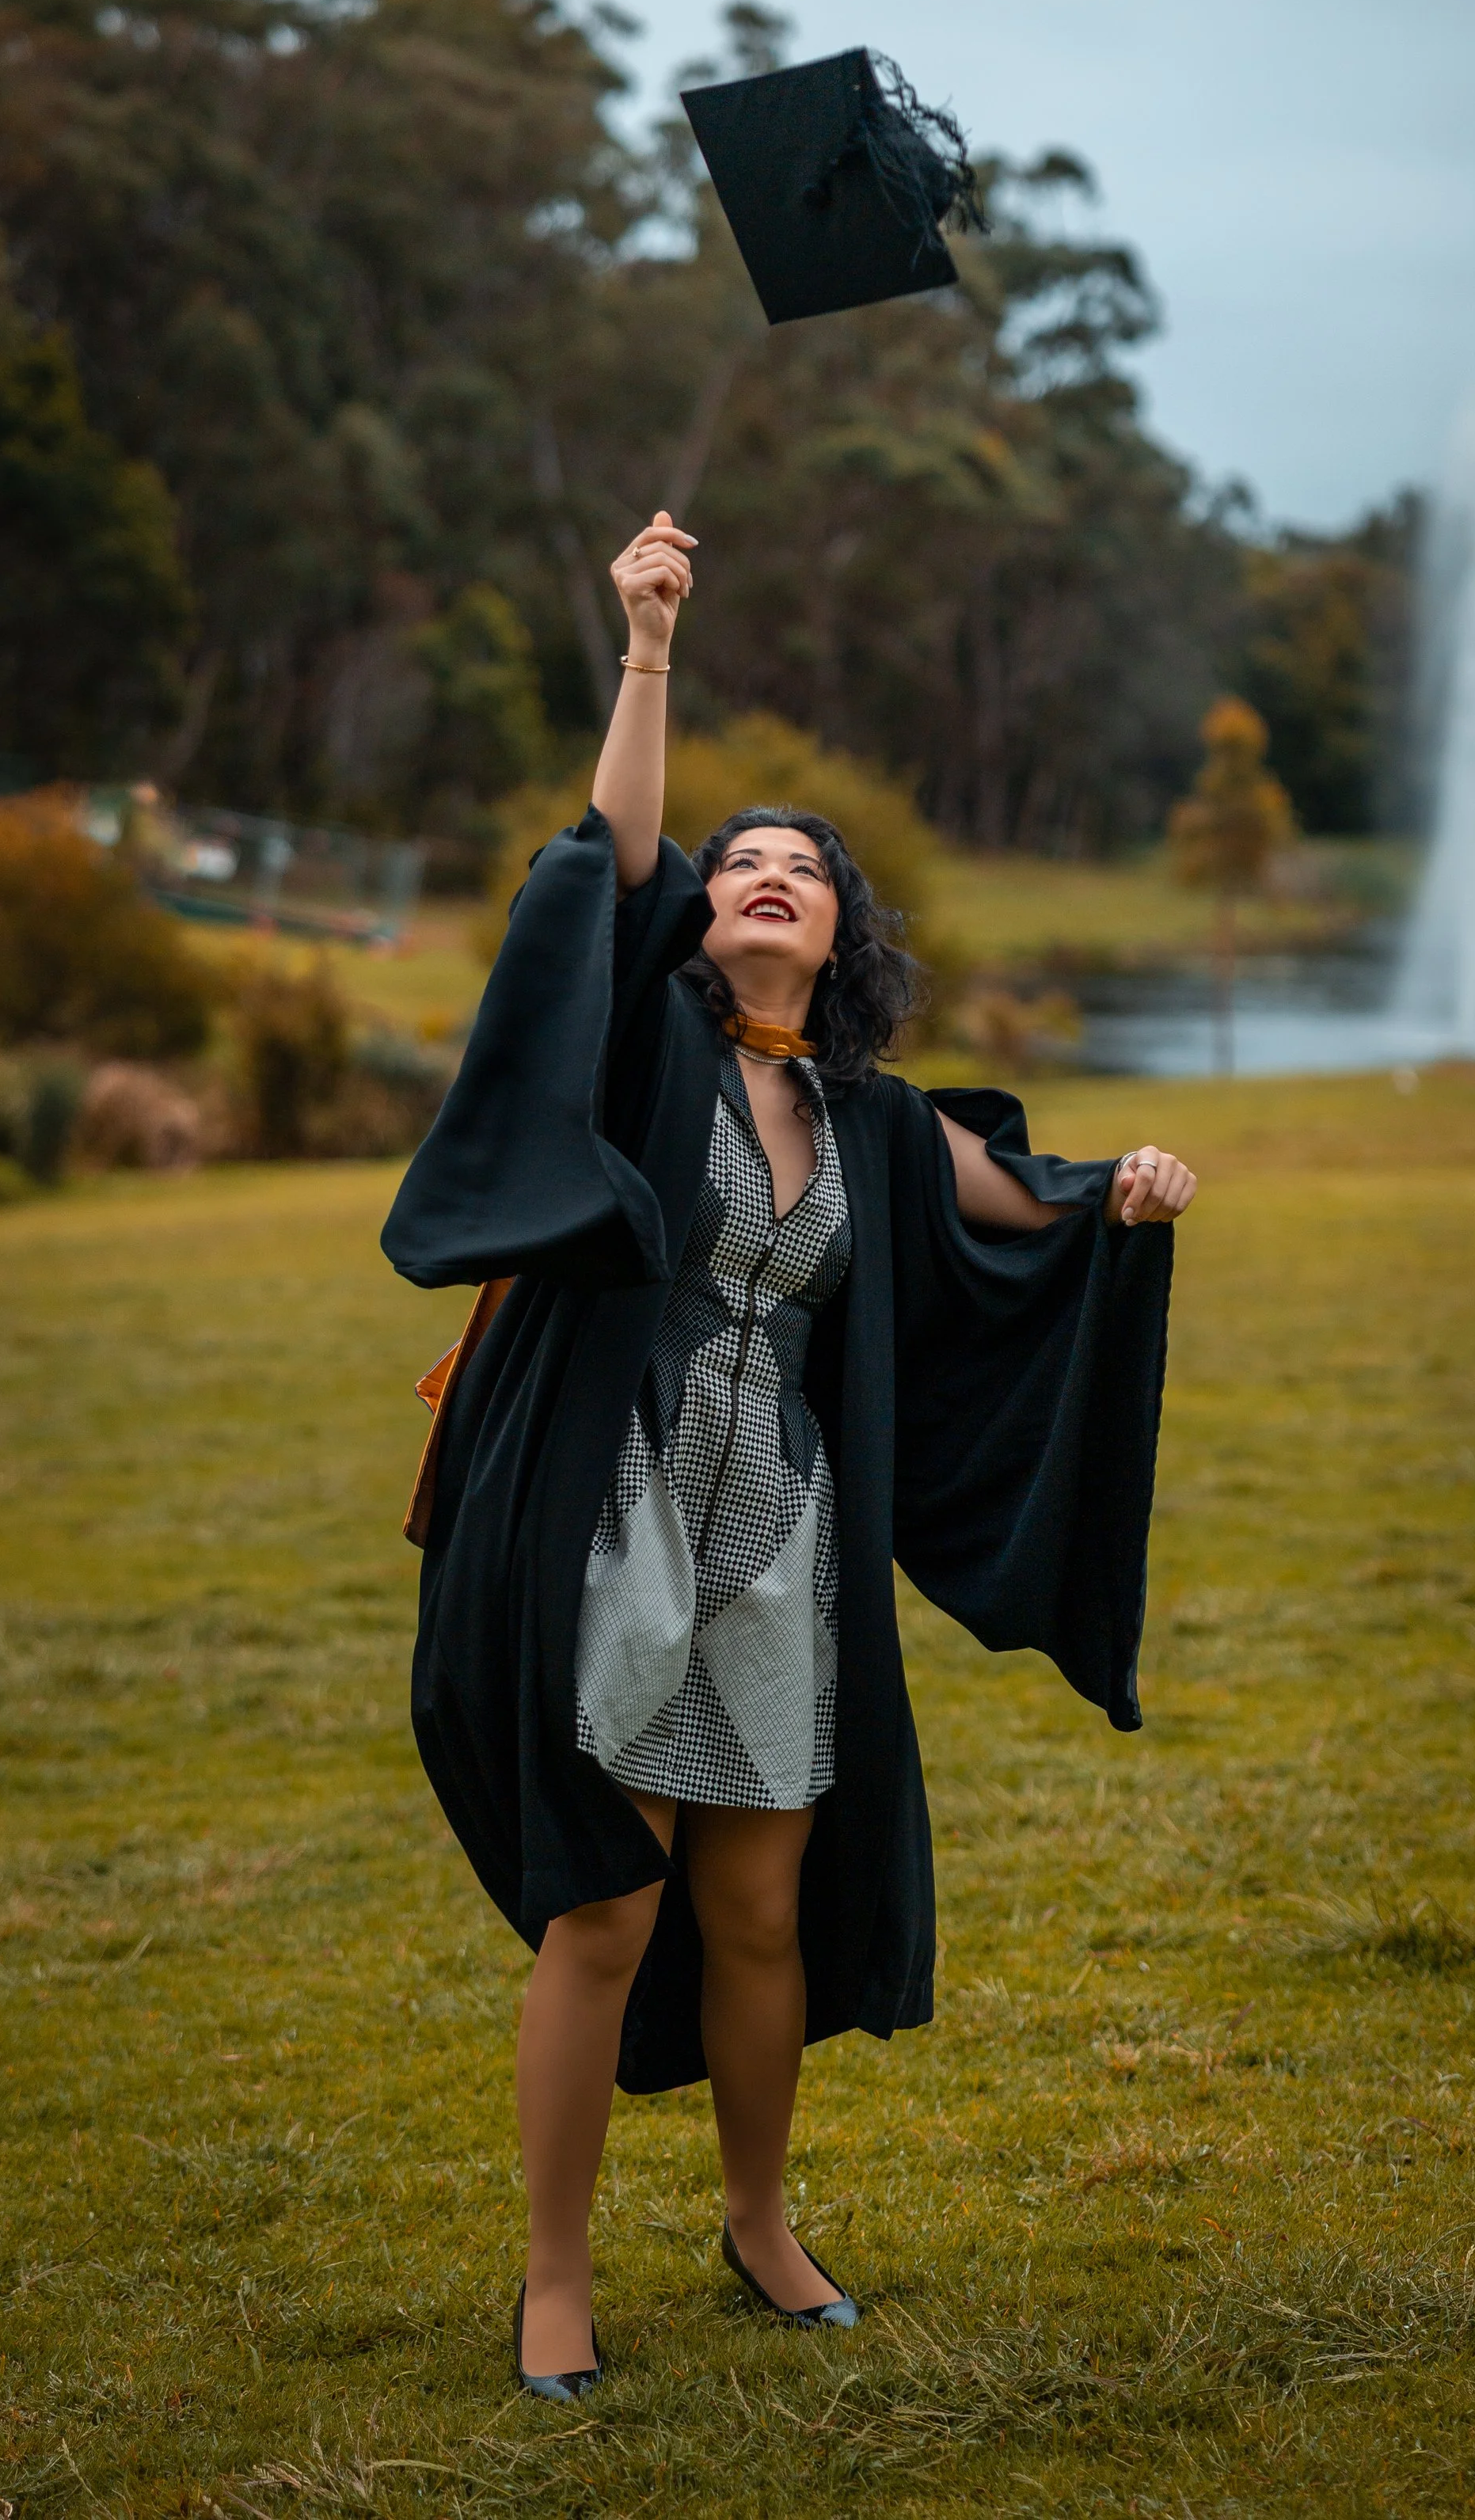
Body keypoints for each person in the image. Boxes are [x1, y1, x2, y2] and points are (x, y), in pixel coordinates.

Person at [381, 511, 1196, 2399]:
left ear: (840, 932)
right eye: (733, 865)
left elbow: (1032, 1206)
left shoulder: (877, 1121)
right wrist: (649, 642)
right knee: (607, 1902)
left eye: (797, 871)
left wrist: (1128, 1192)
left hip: (783, 1543)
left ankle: (757, 2220)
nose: (758, 879)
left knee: (757, 1905)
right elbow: (612, 856)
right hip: (617, 1515)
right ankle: (554, 2280)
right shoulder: (642, 1058)